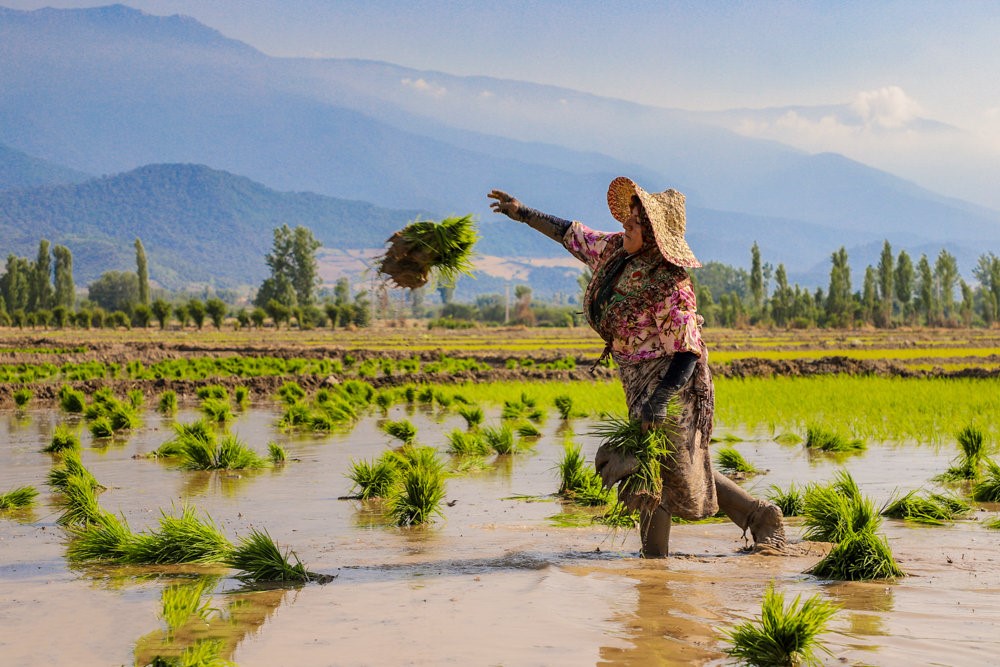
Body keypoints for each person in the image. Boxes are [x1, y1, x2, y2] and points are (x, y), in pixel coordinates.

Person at [488, 178, 785, 557]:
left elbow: (688, 349)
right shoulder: (615, 251)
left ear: (654, 236)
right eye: (626, 220)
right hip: (637, 379)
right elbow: (572, 234)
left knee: (667, 466)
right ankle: (740, 525)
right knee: (665, 465)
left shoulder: (671, 284)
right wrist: (523, 213)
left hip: (674, 383)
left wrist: (660, 400)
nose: (624, 227)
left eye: (633, 224)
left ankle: (664, 556)